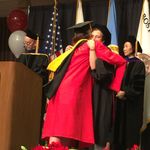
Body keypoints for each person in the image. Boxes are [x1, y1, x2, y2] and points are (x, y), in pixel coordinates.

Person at [42, 21, 126, 149]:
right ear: (89, 35)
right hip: (73, 92)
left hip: (59, 92)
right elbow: (118, 61)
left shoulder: (73, 49)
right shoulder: (91, 45)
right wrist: (115, 85)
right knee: (68, 132)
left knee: (57, 131)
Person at [113, 36, 145, 150]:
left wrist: (125, 93)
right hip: (119, 104)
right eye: (123, 46)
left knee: (129, 134)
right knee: (118, 133)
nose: (124, 48)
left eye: (126, 46)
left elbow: (138, 87)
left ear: (133, 47)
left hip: (132, 106)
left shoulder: (139, 64)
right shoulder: (121, 63)